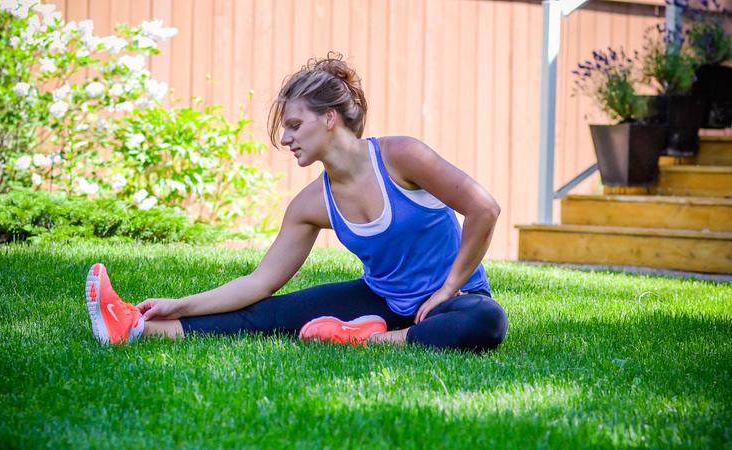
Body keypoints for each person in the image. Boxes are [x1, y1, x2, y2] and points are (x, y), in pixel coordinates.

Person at [85, 53, 508, 352]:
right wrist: (182, 303)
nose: (285, 138)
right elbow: (259, 284)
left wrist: (448, 288)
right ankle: (133, 326)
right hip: (384, 301)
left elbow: (484, 208)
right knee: (271, 314)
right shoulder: (310, 204)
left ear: (330, 118)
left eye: (294, 124)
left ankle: (370, 340)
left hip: (456, 299)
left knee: (486, 321)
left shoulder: (402, 157)